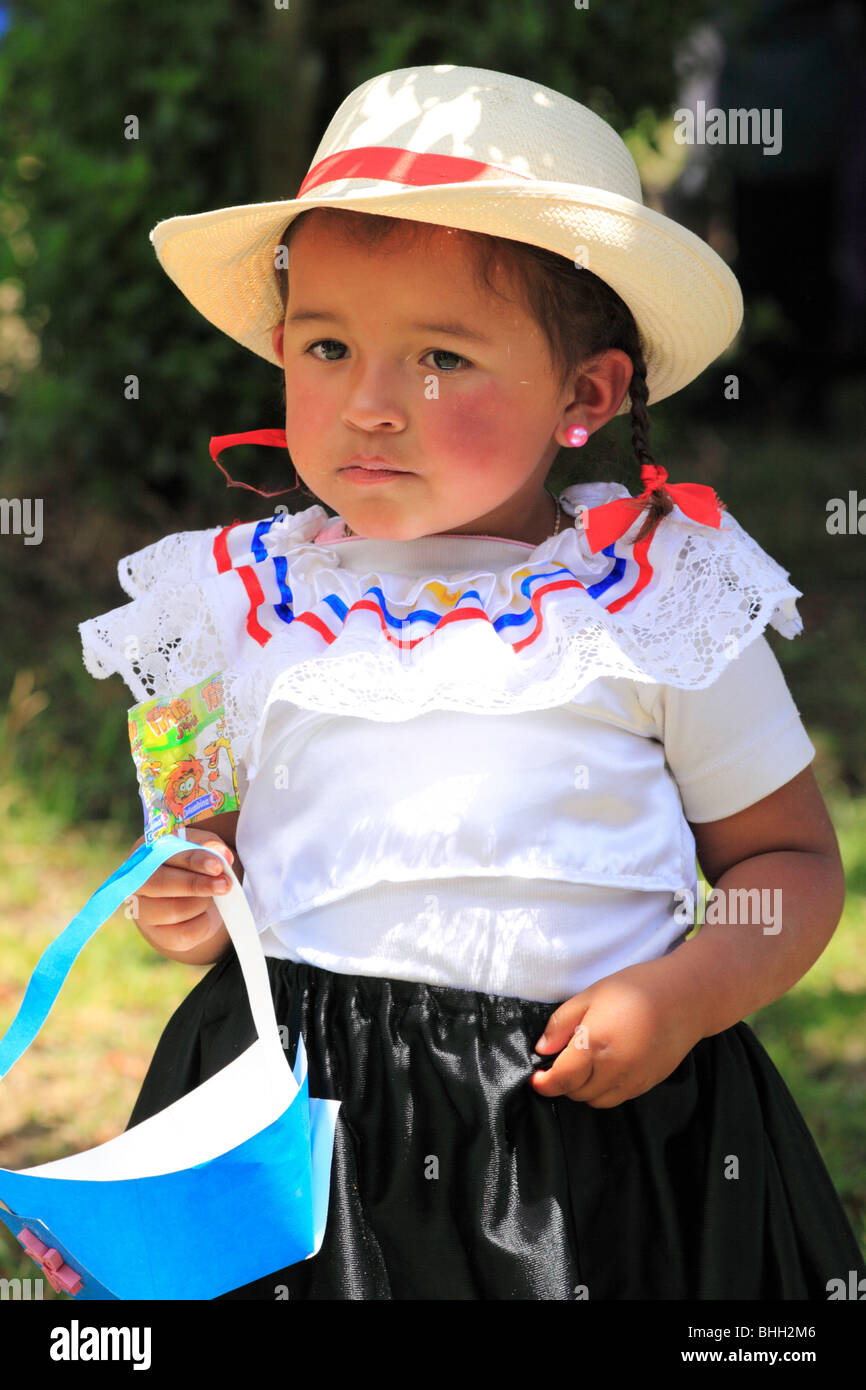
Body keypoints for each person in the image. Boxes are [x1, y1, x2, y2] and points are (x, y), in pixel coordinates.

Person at [79, 65, 865, 1300]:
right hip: (300, 1131)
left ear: (586, 394)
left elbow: (790, 865)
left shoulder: (653, 597)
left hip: (579, 1138)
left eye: (440, 357)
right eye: (327, 346)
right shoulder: (231, 599)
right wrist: (184, 885)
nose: (372, 404)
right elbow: (202, 836)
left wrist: (682, 996)